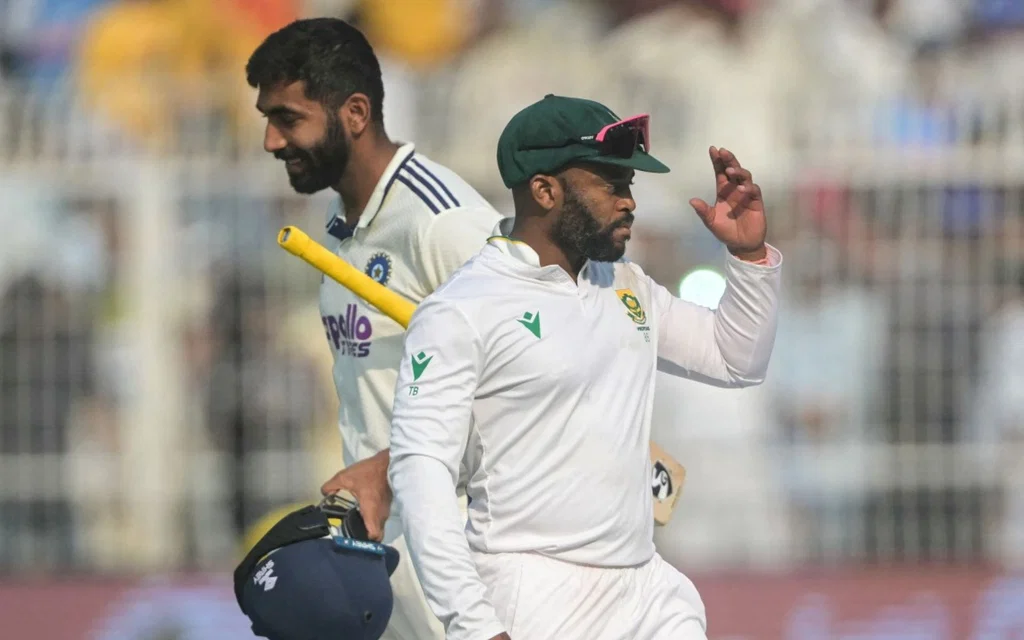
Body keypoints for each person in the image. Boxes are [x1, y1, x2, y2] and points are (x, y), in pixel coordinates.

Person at [388, 95, 783, 640]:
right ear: (545, 190)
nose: (629, 203)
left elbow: (737, 359)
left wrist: (750, 257)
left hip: (646, 589)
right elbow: (420, 472)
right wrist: (474, 624)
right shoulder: (462, 309)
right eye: (610, 185)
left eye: (629, 186)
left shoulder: (625, 285)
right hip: (533, 597)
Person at [245, 18, 501, 640]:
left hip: (470, 555)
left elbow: (526, 380)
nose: (271, 141)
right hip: (387, 552)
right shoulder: (340, 224)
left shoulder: (442, 221)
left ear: (355, 112)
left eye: (288, 118)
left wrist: (386, 471)